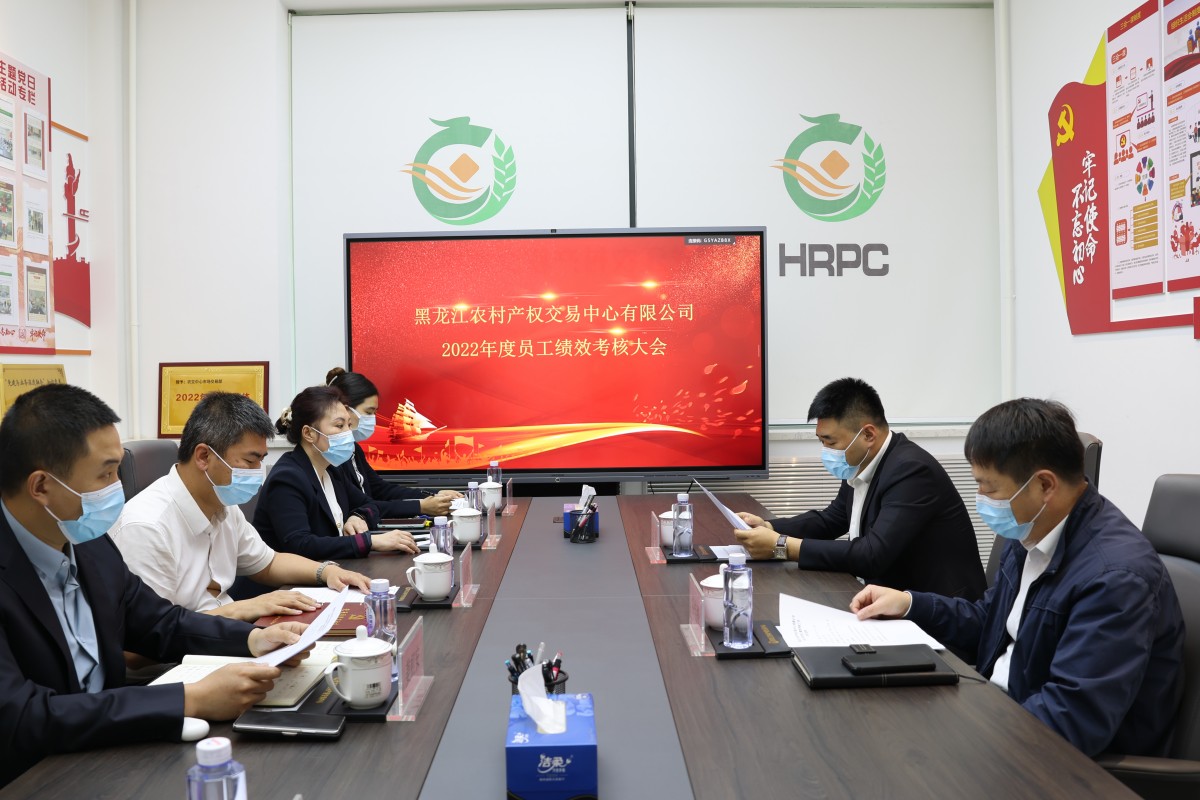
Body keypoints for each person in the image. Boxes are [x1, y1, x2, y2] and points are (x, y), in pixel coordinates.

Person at [0, 384, 308, 787]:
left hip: (108, 754)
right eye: (105, 474)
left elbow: (160, 623)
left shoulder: (89, 544)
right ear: (41, 486)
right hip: (33, 776)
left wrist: (253, 640)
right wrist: (189, 698)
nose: (118, 487)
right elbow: (22, 717)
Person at [851, 398, 1184, 757]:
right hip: (1001, 715)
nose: (981, 499)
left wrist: (968, 732)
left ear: (1044, 485)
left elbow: (1072, 717)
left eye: (990, 488)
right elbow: (991, 621)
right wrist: (910, 604)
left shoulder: (1116, 578)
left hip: (1051, 757)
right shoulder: (1032, 529)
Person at [111, 392, 373, 623]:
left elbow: (268, 563)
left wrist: (327, 572)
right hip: (180, 657)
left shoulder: (222, 505)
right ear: (204, 456)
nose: (258, 472)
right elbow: (149, 636)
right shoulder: (146, 527)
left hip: (223, 635)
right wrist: (244, 609)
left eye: (261, 460)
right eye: (250, 461)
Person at [733, 377, 985, 600]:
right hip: (886, 599)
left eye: (831, 442)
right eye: (821, 441)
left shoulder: (911, 471)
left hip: (936, 614)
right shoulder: (862, 461)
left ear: (868, 435)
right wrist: (770, 527)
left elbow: (872, 554)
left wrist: (782, 546)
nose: (826, 451)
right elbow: (833, 519)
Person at [253, 385, 419, 561]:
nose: (348, 433)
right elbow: (301, 545)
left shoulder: (332, 469)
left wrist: (358, 516)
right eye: (339, 426)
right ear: (309, 433)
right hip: (293, 577)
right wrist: (369, 541)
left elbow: (370, 505)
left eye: (349, 425)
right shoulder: (287, 478)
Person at [326, 367, 460, 516]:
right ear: (345, 410)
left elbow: (381, 489)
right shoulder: (334, 454)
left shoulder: (353, 449)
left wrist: (435, 495)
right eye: (368, 412)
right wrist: (420, 507)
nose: (372, 419)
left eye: (374, 413)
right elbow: (362, 505)